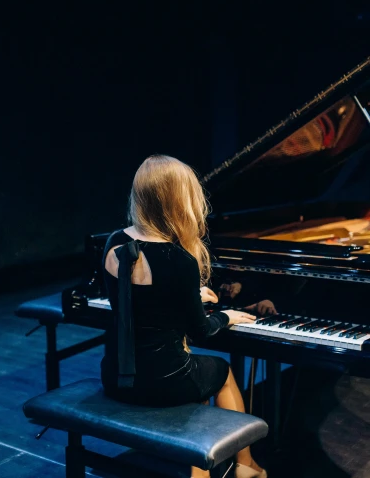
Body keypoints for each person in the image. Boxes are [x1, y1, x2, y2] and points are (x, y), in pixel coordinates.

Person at [101, 155, 268, 478]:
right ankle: (245, 465)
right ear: (180, 201)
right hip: (165, 383)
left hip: (116, 377)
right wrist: (228, 316)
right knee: (220, 370)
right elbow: (201, 331)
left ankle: (201, 465)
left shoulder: (114, 243)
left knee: (193, 372)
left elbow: (139, 303)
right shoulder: (179, 261)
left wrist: (188, 297)